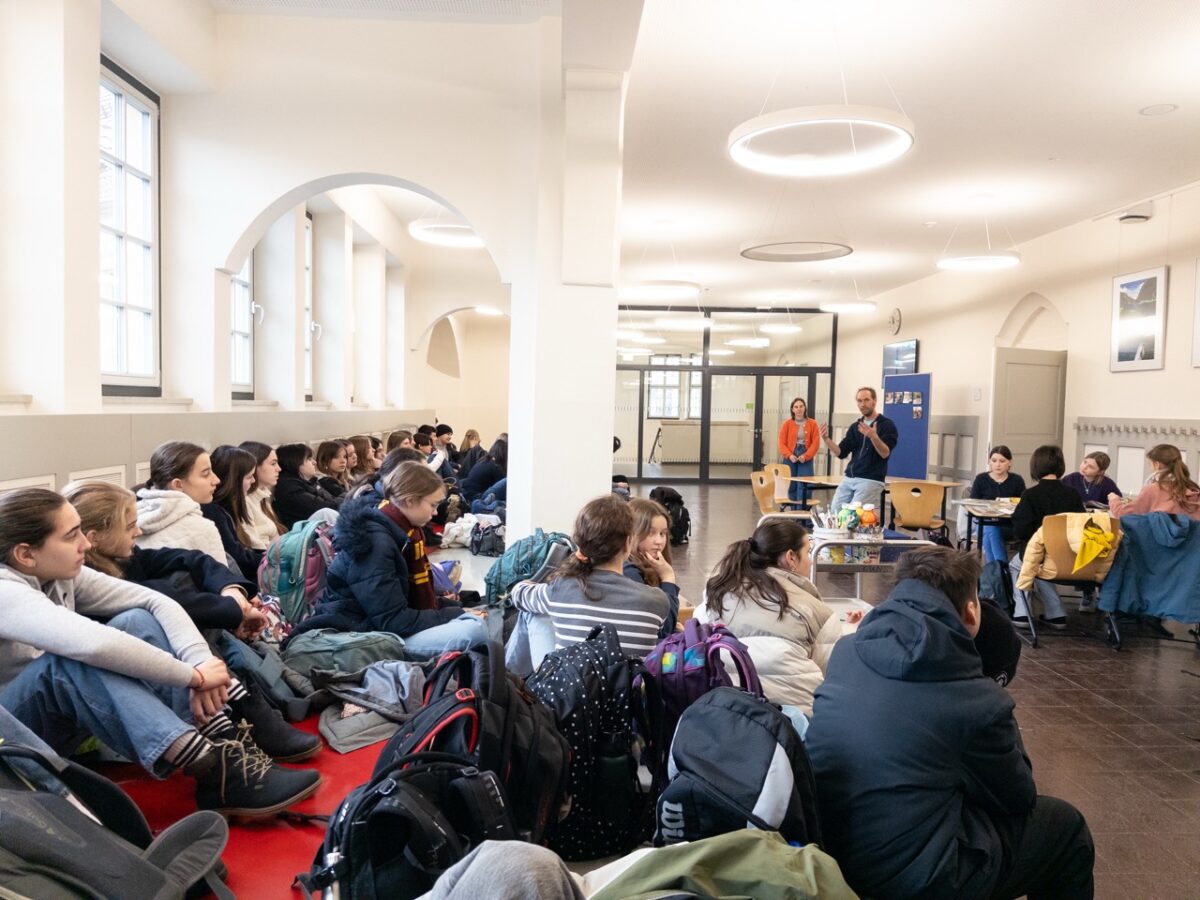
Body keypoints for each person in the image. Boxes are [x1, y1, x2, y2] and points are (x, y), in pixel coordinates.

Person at [0, 489, 321, 815]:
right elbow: (95, 644)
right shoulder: (5, 591)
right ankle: (206, 765)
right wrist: (193, 677)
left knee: (135, 619)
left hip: (49, 725)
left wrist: (202, 659)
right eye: (71, 536)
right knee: (69, 664)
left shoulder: (57, 573)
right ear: (26, 554)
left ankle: (224, 743)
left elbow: (154, 601)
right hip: (10, 743)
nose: (85, 543)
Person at [805, 546, 1094, 900]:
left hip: (826, 852)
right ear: (971, 611)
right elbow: (1018, 797)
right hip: (911, 881)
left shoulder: (847, 654)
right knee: (1065, 827)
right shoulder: (975, 697)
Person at [62, 480, 320, 762]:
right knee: (150, 616)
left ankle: (240, 708)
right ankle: (234, 716)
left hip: (184, 661)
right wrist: (236, 611)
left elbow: (192, 559)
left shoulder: (121, 557)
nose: (138, 531)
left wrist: (231, 592)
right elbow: (162, 598)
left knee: (188, 585)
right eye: (129, 526)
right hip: (121, 689)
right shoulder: (82, 580)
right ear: (94, 537)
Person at [288, 462, 486, 658]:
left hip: (372, 625)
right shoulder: (375, 544)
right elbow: (393, 621)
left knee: (477, 615)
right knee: (474, 631)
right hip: (361, 635)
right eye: (433, 505)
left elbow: (403, 603)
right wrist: (454, 615)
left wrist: (458, 609)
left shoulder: (397, 531)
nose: (435, 513)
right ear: (409, 500)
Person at [701, 519, 840, 715]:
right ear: (791, 557)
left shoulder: (717, 592)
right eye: (808, 552)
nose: (810, 561)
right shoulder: (820, 614)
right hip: (794, 718)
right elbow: (832, 675)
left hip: (724, 707)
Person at [509, 494, 669, 658]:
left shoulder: (562, 587)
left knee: (532, 611)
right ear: (628, 543)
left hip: (570, 682)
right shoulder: (657, 600)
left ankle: (507, 679)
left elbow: (517, 594)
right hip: (631, 683)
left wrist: (531, 583)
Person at [1009, 445, 1084, 630]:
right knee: (1043, 567)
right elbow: (1081, 525)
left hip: (1039, 554)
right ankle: (1056, 613)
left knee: (1019, 565)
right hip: (1069, 557)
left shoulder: (1031, 495)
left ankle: (1022, 612)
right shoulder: (1073, 494)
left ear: (1035, 466)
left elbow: (1021, 529)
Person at [135, 442, 227, 565]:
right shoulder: (203, 528)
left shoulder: (130, 521)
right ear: (178, 485)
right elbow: (223, 580)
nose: (216, 480)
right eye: (205, 474)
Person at [819, 387, 898, 510]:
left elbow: (885, 453)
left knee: (853, 516)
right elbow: (840, 452)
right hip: (850, 477)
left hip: (870, 479)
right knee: (835, 511)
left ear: (874, 401)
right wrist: (826, 439)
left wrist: (873, 437)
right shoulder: (855, 427)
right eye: (859, 401)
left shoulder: (887, 425)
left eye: (866, 400)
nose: (862, 404)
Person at [203, 444, 265, 580]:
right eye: (249, 477)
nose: (254, 481)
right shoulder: (213, 512)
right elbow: (238, 556)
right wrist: (269, 559)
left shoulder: (225, 508)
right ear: (234, 480)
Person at [622, 498, 682, 637]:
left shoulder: (649, 566)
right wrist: (668, 578)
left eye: (663, 533)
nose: (659, 541)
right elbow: (663, 629)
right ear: (632, 533)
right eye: (651, 533)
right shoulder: (629, 571)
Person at [1109, 443, 1200, 520]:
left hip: (1160, 540)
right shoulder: (1193, 488)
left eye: (1150, 464)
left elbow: (1123, 514)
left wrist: (1114, 500)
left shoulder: (1153, 489)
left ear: (1157, 465)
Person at [968, 445, 1026, 564]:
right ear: (989, 462)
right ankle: (1002, 567)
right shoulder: (981, 479)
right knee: (991, 528)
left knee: (991, 530)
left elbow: (1023, 506)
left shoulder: (1017, 480)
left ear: (1010, 463)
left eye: (1002, 461)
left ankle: (996, 570)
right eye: (994, 461)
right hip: (984, 523)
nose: (997, 464)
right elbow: (972, 505)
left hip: (1008, 525)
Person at [273, 442, 342, 528]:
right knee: (326, 513)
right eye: (309, 459)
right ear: (295, 462)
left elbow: (332, 501)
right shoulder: (289, 488)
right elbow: (326, 507)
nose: (314, 462)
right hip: (303, 534)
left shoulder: (308, 481)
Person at [238, 440, 286, 549]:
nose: (279, 468)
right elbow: (256, 548)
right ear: (254, 467)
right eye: (273, 463)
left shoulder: (263, 497)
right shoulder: (245, 502)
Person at [778, 397, 820, 506]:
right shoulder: (787, 424)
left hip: (805, 454)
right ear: (792, 409)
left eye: (801, 406)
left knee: (805, 483)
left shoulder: (813, 423)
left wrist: (806, 456)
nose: (799, 409)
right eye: (796, 407)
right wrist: (789, 455)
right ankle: (794, 513)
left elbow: (816, 443)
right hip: (790, 454)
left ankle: (804, 514)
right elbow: (781, 443)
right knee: (791, 484)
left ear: (805, 408)